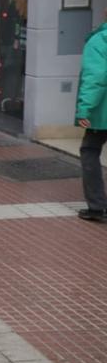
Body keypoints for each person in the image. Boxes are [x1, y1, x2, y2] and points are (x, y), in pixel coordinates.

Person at [76, 11, 107, 222]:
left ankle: (97, 206)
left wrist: (84, 109)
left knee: (89, 151)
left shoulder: (99, 41)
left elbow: (95, 77)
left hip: (102, 114)